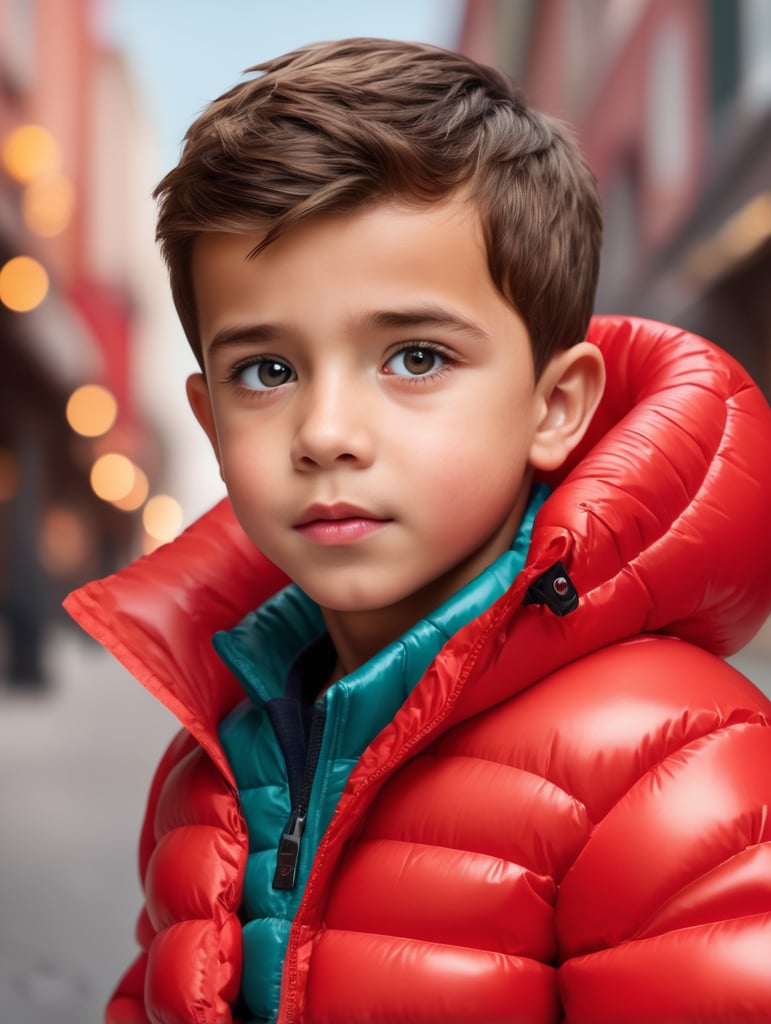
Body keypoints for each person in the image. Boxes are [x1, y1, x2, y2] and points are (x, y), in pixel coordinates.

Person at [65, 37, 771, 1024]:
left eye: (415, 356)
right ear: (210, 421)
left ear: (555, 405)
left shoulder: (676, 771)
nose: (327, 434)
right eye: (266, 372)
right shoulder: (212, 760)